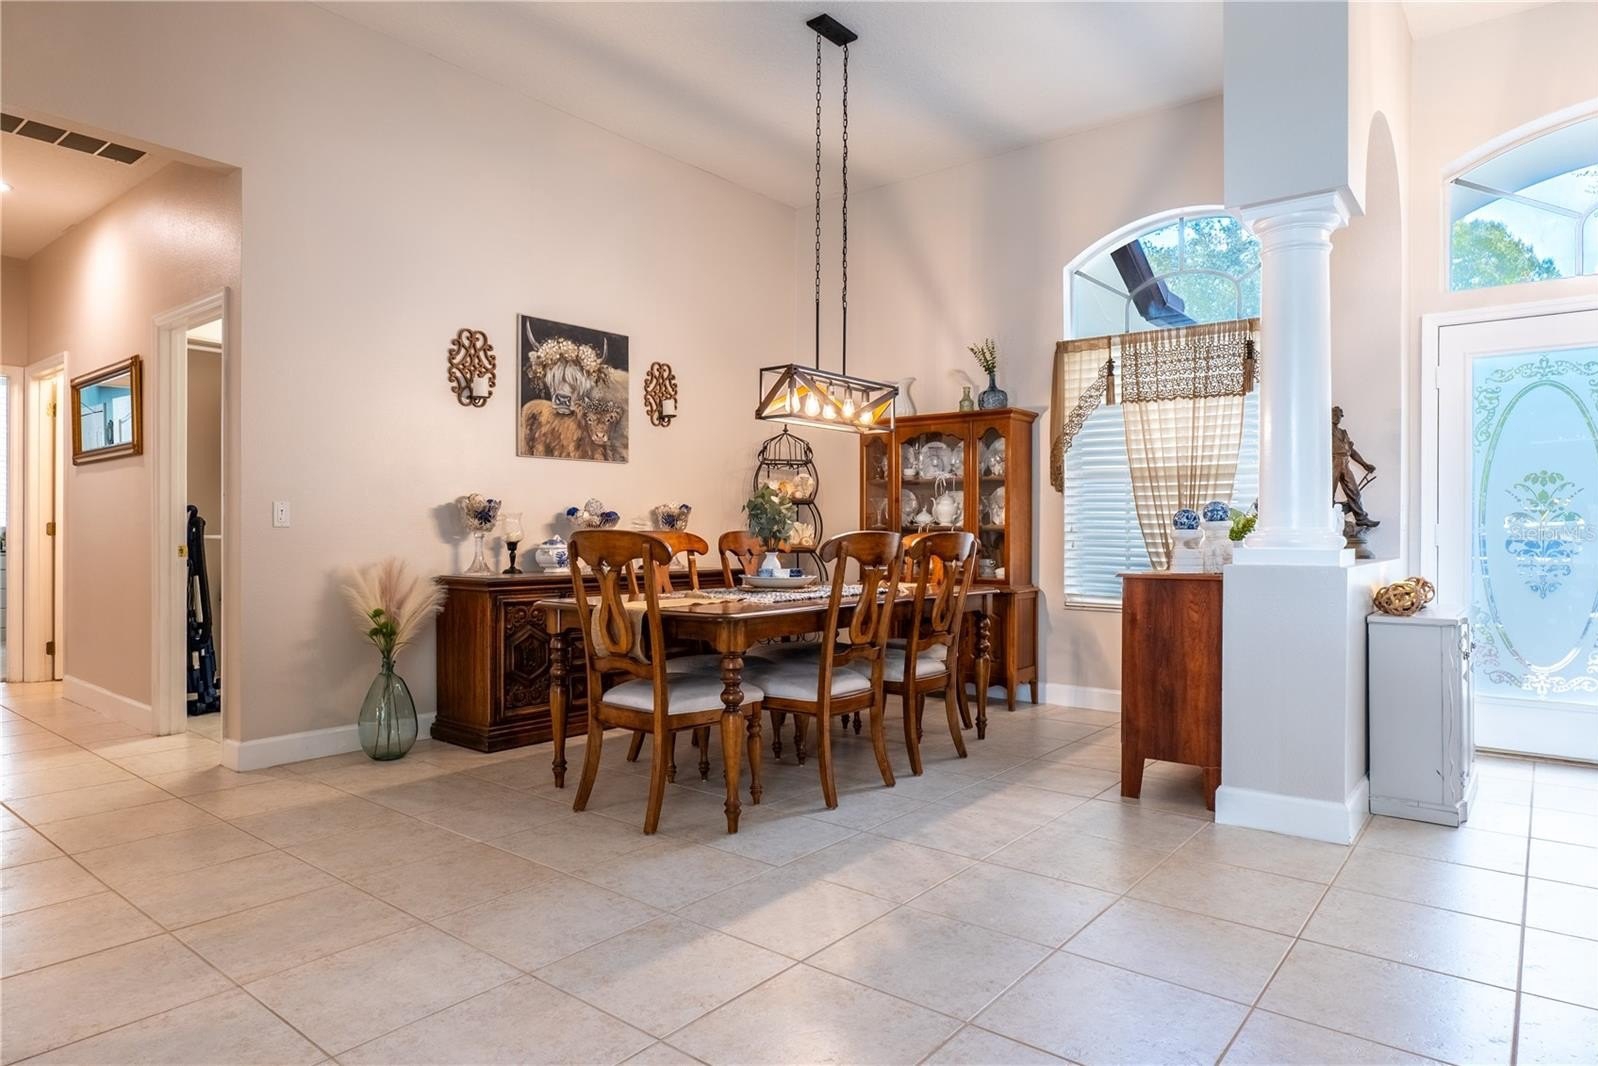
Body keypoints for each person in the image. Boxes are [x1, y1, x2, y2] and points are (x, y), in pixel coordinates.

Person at [1332, 406, 1379, 528]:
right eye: (1334, 414)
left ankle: (1361, 518)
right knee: (1328, 493)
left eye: (1339, 415)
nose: (1337, 417)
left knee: (1354, 491)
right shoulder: (1325, 431)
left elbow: (1351, 451)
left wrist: (1365, 464)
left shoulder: (1343, 433)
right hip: (1333, 463)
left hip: (1344, 463)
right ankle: (1326, 520)